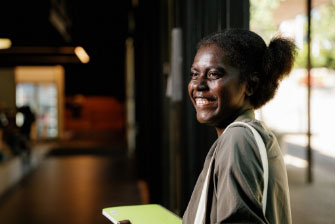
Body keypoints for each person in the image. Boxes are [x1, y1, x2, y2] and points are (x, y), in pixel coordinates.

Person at [183, 29, 296, 223]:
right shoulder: (249, 136)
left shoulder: (238, 139)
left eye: (213, 74)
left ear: (250, 85)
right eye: (194, 74)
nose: (198, 85)